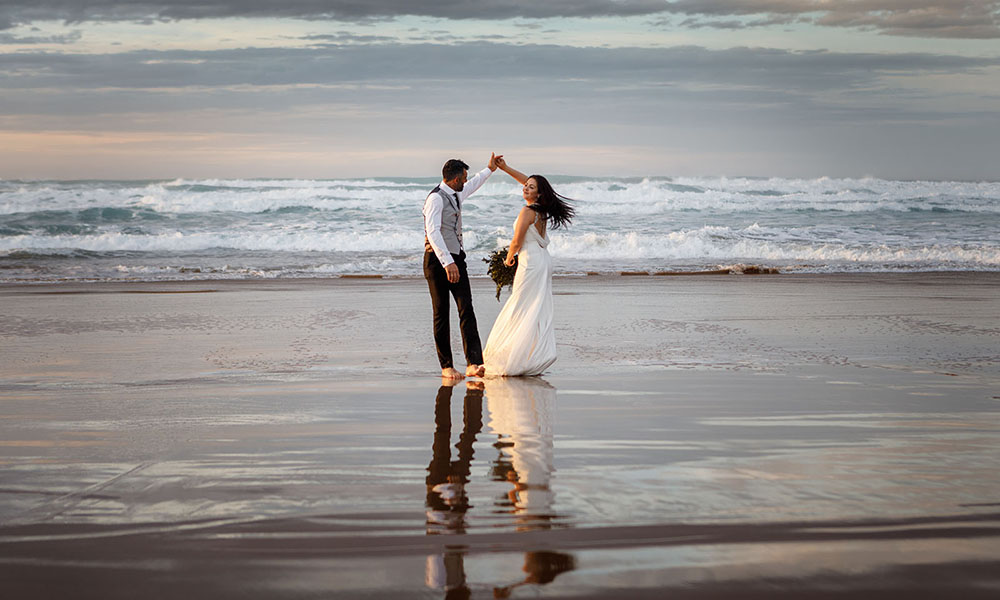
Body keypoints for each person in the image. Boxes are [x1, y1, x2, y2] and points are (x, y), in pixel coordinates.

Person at [483, 159, 574, 377]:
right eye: (526, 185)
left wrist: (508, 259)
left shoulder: (527, 211)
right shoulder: (542, 208)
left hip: (530, 262)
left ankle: (513, 358)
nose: (525, 187)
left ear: (539, 194)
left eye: (530, 187)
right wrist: (505, 169)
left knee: (520, 307)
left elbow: (516, 241)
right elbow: (531, 184)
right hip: (542, 260)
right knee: (533, 308)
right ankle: (528, 354)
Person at [424, 155, 499, 380]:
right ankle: (446, 366)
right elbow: (433, 232)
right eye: (463, 178)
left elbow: (474, 184)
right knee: (441, 313)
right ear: (455, 179)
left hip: (457, 258)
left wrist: (490, 170)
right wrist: (448, 263)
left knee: (466, 308)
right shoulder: (435, 199)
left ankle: (474, 363)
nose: (466, 182)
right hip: (436, 262)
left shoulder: (456, 193)